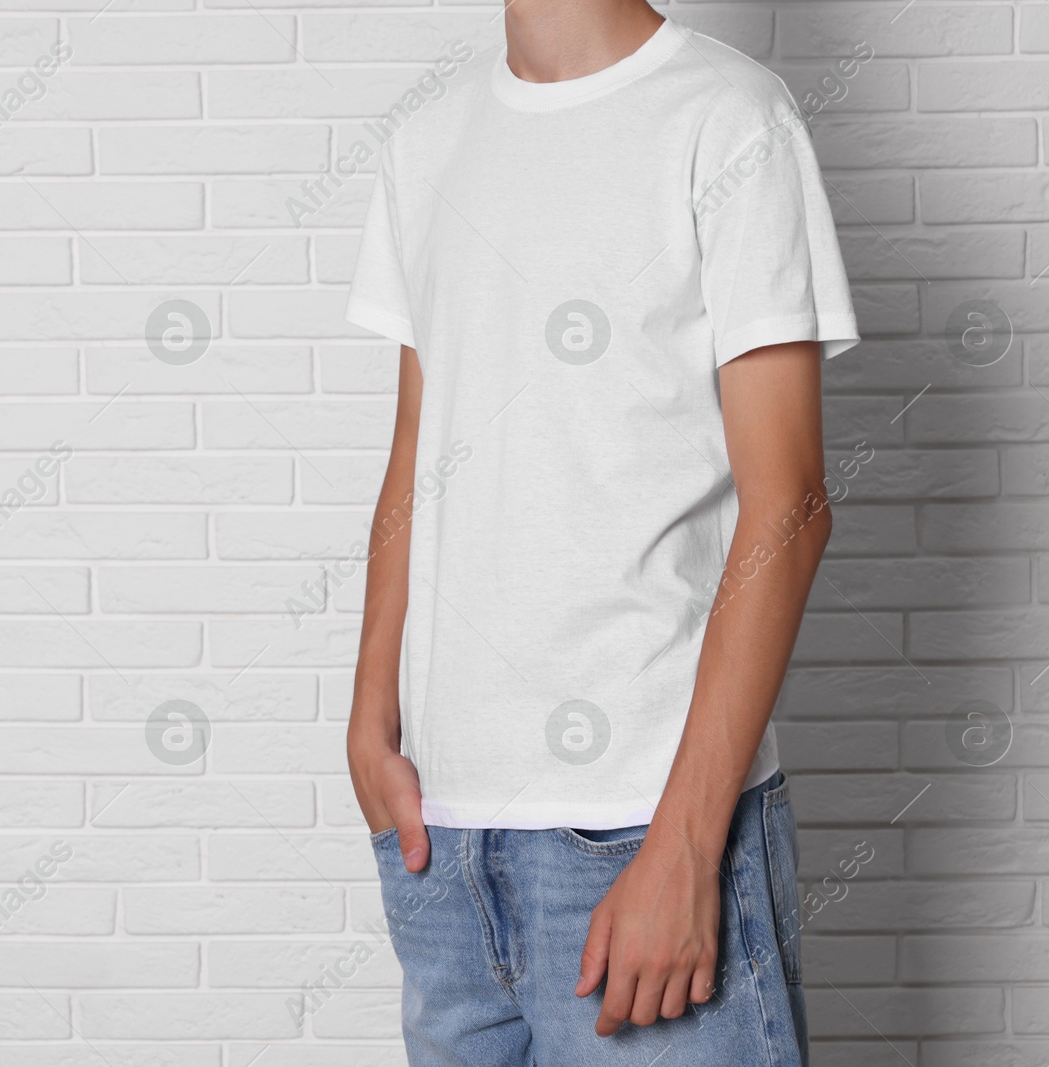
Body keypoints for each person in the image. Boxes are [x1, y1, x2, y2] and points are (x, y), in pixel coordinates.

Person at [343, 1, 858, 1064]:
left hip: (642, 831)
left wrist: (683, 842)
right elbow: (415, 446)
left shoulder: (728, 119)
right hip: (443, 840)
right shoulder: (425, 140)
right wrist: (367, 720)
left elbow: (790, 503)